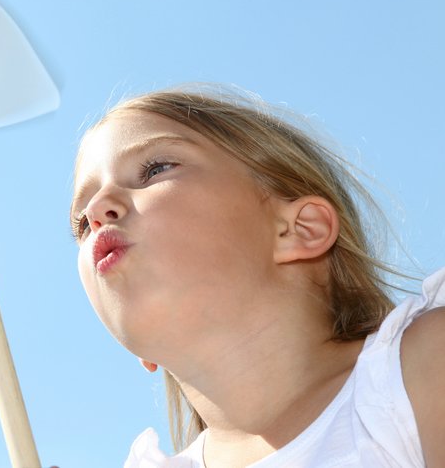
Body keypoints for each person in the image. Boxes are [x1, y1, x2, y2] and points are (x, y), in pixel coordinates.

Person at [68, 89, 444, 467]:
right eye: (82, 223)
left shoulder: (418, 372)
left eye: (154, 169)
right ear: (140, 353)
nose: (98, 209)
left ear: (300, 230)